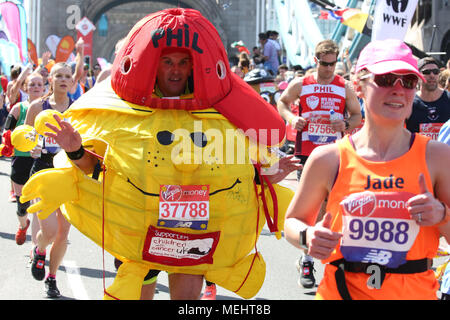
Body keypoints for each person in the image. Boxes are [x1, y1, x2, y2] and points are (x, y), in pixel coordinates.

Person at [284, 38, 450, 300]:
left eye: (407, 81)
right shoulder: (328, 158)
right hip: (340, 292)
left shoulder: (438, 156)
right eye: (385, 79)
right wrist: (308, 236)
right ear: (359, 86)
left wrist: (442, 214)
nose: (398, 90)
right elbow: (292, 223)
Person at [277, 39, 362, 288]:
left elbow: (357, 115)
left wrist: (345, 125)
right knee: (310, 206)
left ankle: (311, 256)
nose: (329, 68)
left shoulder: (344, 86)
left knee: (327, 206)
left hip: (334, 153)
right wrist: (292, 119)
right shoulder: (302, 83)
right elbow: (282, 102)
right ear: (316, 61)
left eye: (333, 63)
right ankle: (306, 260)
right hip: (307, 151)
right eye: (325, 64)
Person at [24, 63, 74, 298]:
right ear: (51, 80)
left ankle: (52, 278)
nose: (63, 80)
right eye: (59, 76)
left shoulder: (78, 108)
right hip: (43, 169)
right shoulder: (37, 106)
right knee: (51, 232)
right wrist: (32, 146)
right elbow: (24, 137)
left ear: (72, 82)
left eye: (67, 76)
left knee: (64, 232)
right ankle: (39, 248)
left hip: (68, 172)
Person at [4, 72, 45, 246]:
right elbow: (7, 131)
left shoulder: (48, 107)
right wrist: (7, 143)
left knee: (39, 204)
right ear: (26, 88)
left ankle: (37, 245)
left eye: (39, 84)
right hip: (21, 159)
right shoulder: (18, 108)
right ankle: (23, 225)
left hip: (41, 159)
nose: (36, 87)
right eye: (32, 84)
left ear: (44, 87)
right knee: (22, 205)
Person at [405, 57, 450, 140]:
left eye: (436, 72)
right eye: (427, 72)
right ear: (417, 75)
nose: (432, 75)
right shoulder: (409, 103)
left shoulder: (448, 99)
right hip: (418, 152)